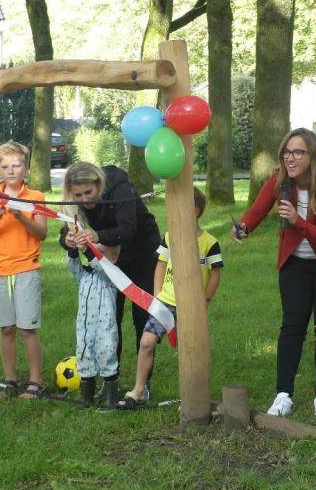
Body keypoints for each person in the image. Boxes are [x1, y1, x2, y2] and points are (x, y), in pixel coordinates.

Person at [234, 128, 316, 417]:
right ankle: (283, 393)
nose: (290, 157)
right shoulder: (280, 181)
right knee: (292, 327)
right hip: (294, 265)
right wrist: (244, 228)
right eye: (286, 151)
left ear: (312, 154)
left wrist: (298, 222)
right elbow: (257, 211)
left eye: (298, 152)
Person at [117, 187, 222, 409]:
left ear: (195, 210)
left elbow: (215, 274)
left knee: (189, 350)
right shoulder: (169, 236)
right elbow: (161, 265)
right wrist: (156, 296)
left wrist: (205, 301)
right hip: (165, 302)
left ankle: (193, 396)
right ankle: (138, 390)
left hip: (191, 306)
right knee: (146, 342)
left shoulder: (210, 242)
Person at [58, 163, 161, 383]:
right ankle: (111, 377)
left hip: (141, 253)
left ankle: (144, 382)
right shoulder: (74, 203)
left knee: (141, 316)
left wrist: (97, 236)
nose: (85, 199)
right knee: (109, 317)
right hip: (110, 260)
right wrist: (68, 241)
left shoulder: (121, 190)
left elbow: (128, 229)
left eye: (89, 192)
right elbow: (64, 235)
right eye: (78, 195)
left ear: (100, 185)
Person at [0, 141, 48, 398]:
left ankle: (35, 381)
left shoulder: (35, 198)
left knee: (27, 329)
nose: (11, 171)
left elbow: (41, 232)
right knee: (6, 328)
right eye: (5, 166)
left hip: (26, 269)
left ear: (26, 168)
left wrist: (21, 216)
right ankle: (10, 380)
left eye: (17, 165)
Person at [61, 163, 122, 409]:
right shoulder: (85, 276)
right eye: (79, 194)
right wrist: (74, 247)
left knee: (107, 351)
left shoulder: (110, 275)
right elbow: (73, 267)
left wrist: (96, 251)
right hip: (84, 324)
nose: (83, 198)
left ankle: (110, 395)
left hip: (105, 325)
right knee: (84, 351)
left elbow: (104, 265)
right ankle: (86, 396)